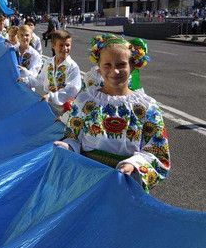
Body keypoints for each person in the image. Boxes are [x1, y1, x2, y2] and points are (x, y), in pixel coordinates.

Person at [54, 34, 169, 192]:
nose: (114, 71)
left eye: (121, 64)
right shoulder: (85, 101)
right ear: (99, 68)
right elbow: (73, 137)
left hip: (126, 186)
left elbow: (159, 154)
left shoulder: (147, 107)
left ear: (133, 66)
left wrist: (134, 165)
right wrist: (67, 146)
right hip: (88, 182)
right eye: (107, 65)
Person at [24, 30, 81, 115]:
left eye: (68, 45)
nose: (65, 48)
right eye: (61, 45)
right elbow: (40, 80)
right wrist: (26, 81)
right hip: (47, 104)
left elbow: (71, 90)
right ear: (53, 46)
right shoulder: (49, 62)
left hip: (63, 110)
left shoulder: (73, 67)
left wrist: (51, 96)